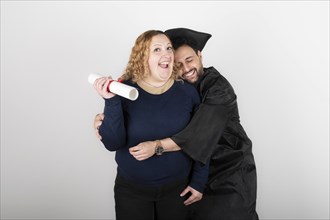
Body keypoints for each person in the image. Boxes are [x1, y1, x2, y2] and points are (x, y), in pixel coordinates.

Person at [94, 28, 259, 220]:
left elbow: (199, 136)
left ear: (200, 55)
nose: (185, 68)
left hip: (226, 171)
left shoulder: (215, 90)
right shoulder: (136, 88)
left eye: (189, 60)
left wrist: (157, 147)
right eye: (178, 63)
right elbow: (113, 138)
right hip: (156, 185)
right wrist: (107, 109)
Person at [92, 30, 209, 220]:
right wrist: (110, 100)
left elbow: (202, 140)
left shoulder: (187, 93)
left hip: (178, 191)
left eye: (169, 48)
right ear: (143, 57)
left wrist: (198, 182)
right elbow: (112, 143)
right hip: (132, 193)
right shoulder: (124, 90)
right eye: (157, 49)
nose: (166, 54)